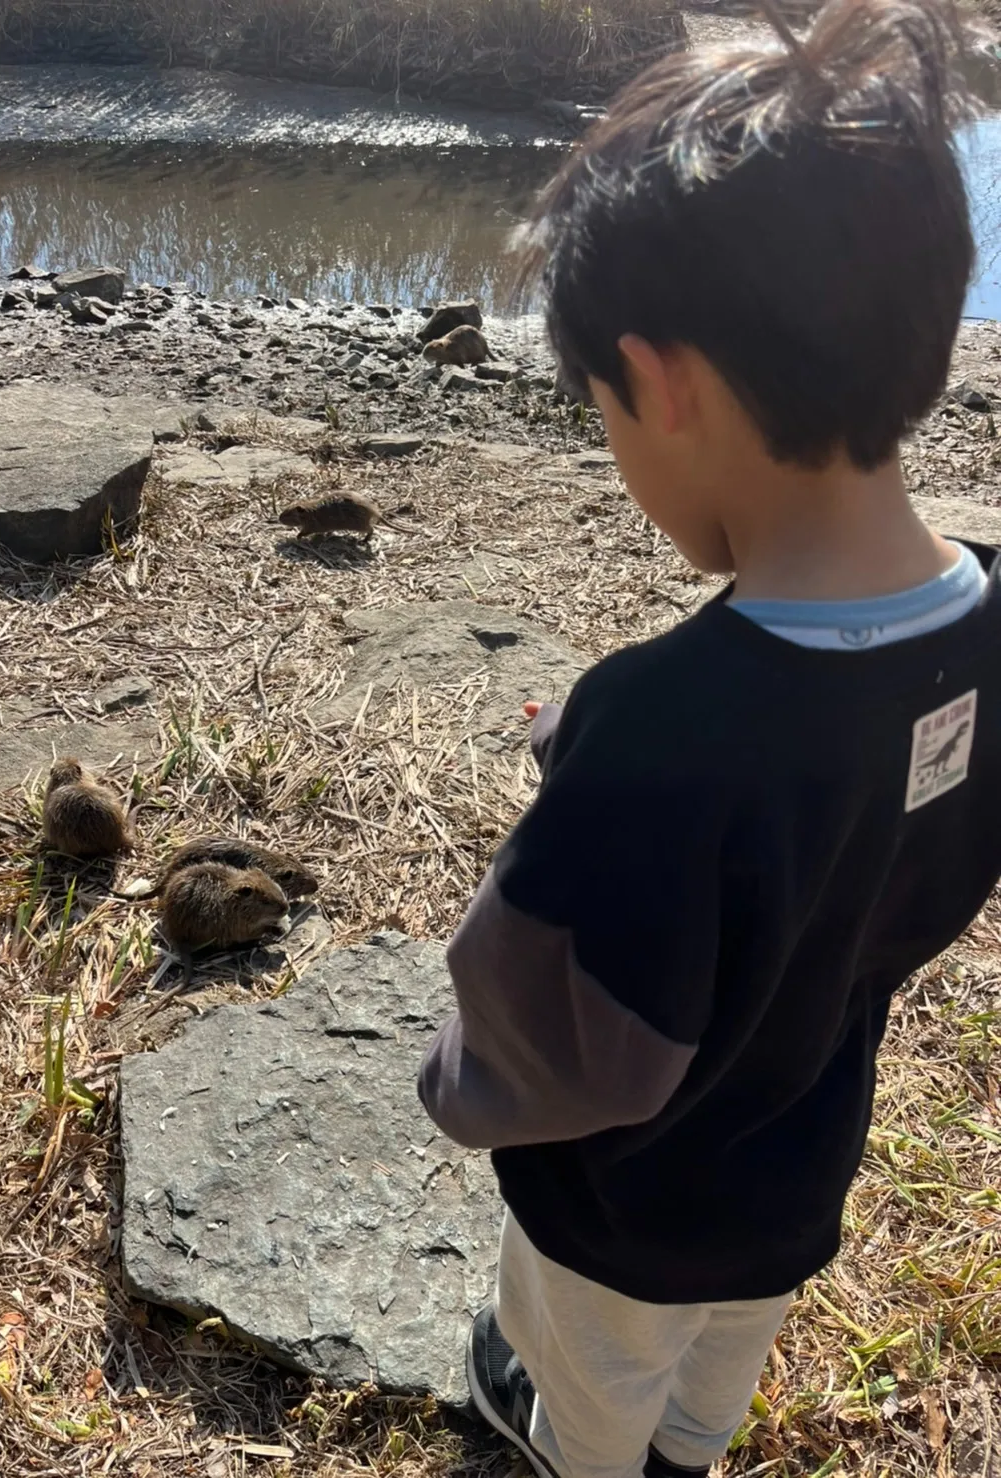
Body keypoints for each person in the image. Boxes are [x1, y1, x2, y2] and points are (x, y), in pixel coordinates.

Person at [417, 1, 1001, 1475]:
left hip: (630, 1220)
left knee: (590, 1377)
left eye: (604, 409)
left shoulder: (657, 728)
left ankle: (575, 1446)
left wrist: (454, 1075)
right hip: (803, 1162)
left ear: (661, 383)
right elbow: (871, 822)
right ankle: (691, 1448)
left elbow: (541, 1038)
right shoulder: (983, 629)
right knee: (719, 1356)